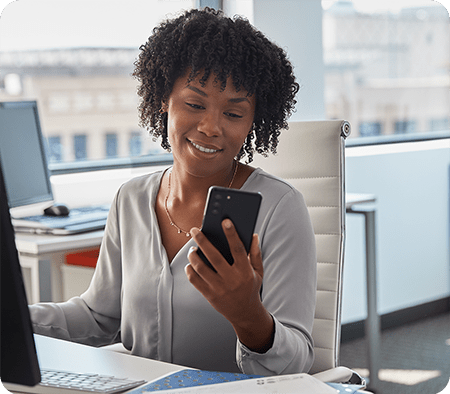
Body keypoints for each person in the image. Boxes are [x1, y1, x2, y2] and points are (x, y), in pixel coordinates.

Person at [30, 8, 317, 376]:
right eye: (195, 105)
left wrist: (250, 317)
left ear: (253, 121)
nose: (211, 127)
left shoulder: (279, 208)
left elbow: (296, 363)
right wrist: (16, 318)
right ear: (164, 98)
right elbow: (99, 316)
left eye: (234, 113)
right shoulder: (131, 199)